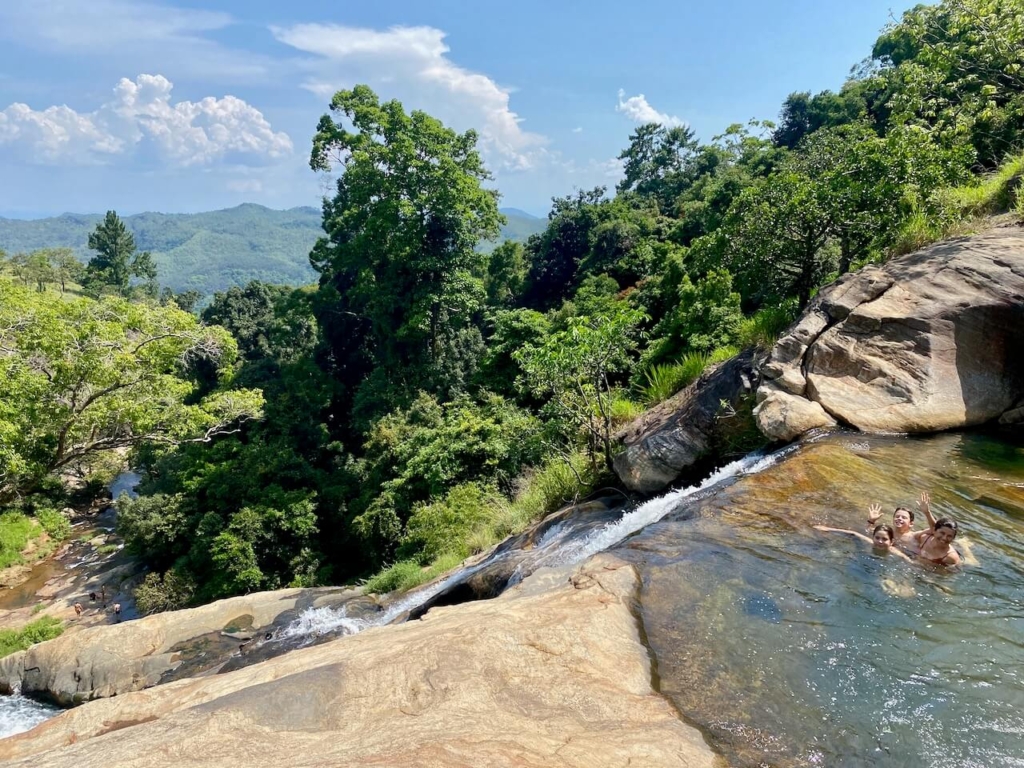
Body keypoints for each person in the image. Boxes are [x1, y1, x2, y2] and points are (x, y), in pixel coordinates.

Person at [813, 523, 914, 562]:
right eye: (877, 538)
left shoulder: (895, 553)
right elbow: (853, 534)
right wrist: (827, 529)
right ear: (873, 537)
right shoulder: (869, 542)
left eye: (884, 539)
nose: (880, 541)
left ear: (891, 542)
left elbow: (909, 562)